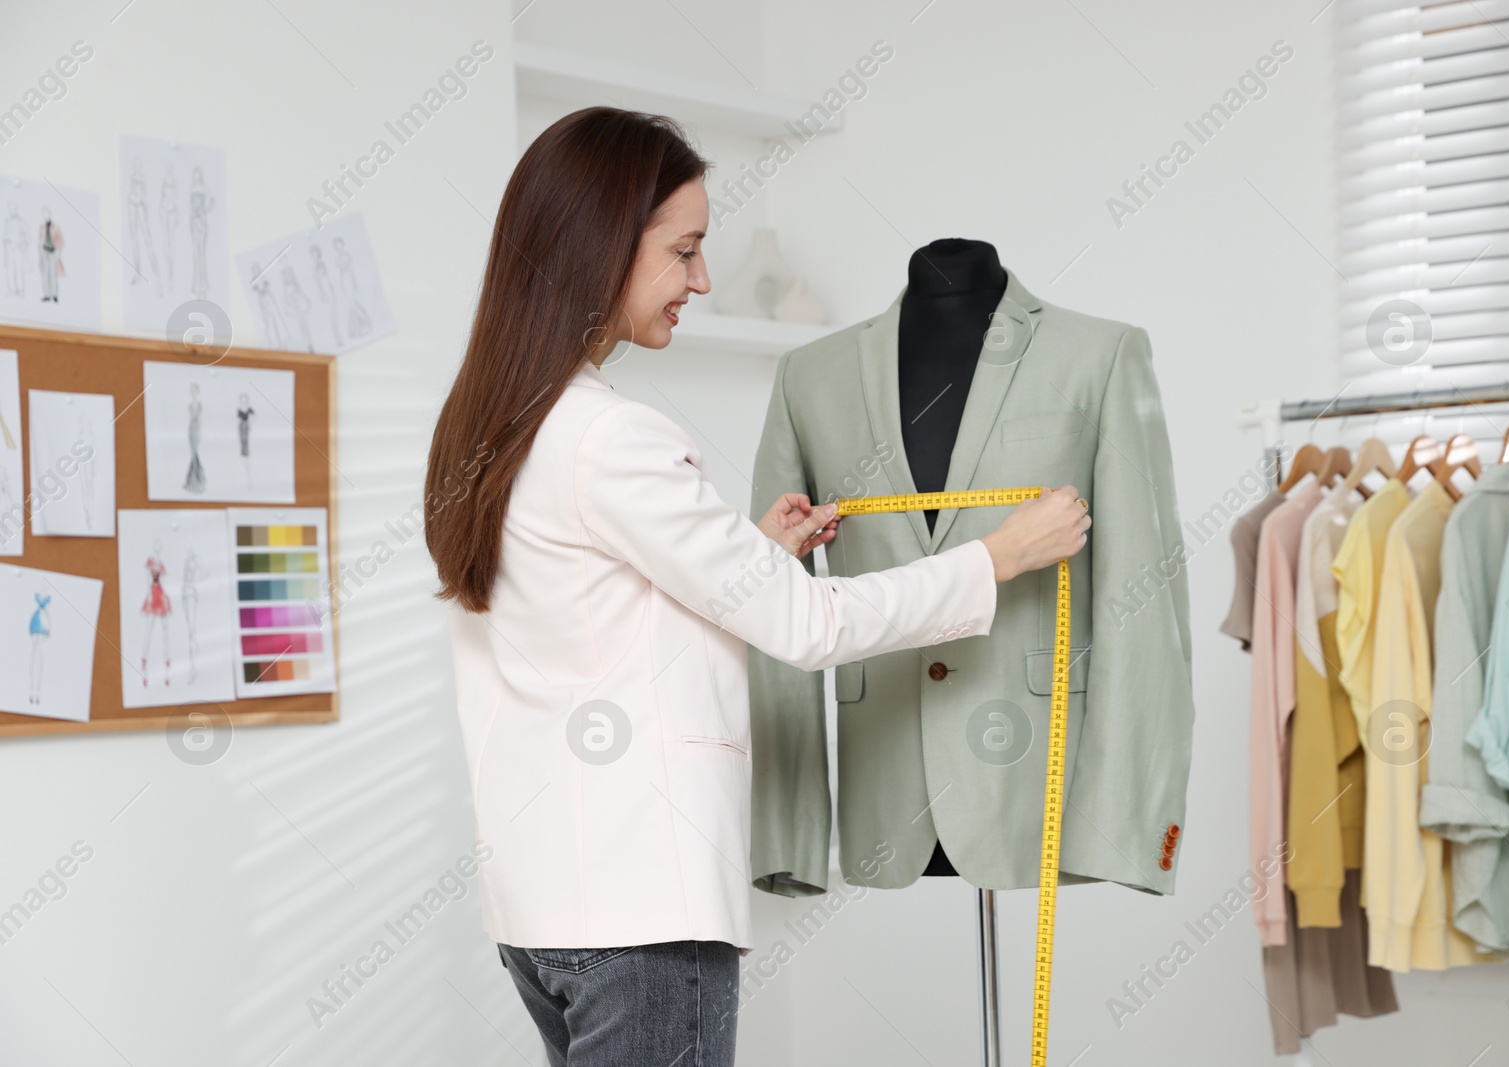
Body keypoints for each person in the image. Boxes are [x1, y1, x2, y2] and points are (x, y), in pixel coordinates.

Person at [423, 106, 1091, 1067]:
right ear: (601, 246)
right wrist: (999, 556)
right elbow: (815, 628)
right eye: (685, 249)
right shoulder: (614, 437)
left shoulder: (495, 427)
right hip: (642, 915)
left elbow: (594, 621)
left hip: (542, 910)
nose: (700, 278)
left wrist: (753, 560)